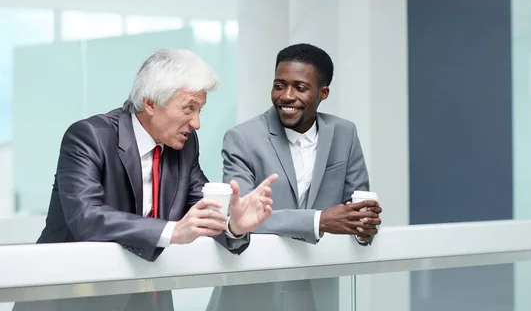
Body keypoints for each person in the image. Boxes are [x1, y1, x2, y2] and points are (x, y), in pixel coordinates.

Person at [13, 49, 278, 311]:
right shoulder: (89, 137)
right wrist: (173, 232)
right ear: (150, 102)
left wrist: (233, 224)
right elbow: (87, 218)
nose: (196, 123)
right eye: (189, 108)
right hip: (74, 300)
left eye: (200, 110)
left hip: (148, 297)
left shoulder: (184, 146)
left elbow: (200, 208)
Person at [207, 43, 382, 311]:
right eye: (279, 85)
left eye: (300, 87)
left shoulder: (345, 134)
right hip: (251, 297)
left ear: (323, 93)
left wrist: (363, 227)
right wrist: (319, 220)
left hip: (319, 293)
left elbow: (355, 213)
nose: (286, 96)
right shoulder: (242, 138)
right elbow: (243, 216)